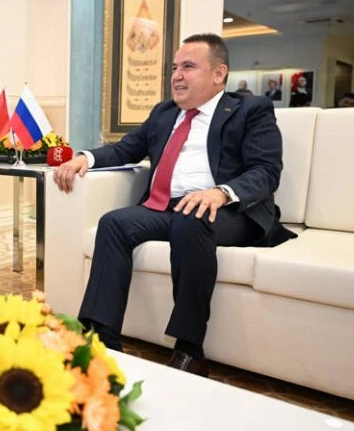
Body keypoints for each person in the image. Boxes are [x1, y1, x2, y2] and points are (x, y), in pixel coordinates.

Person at [53, 33, 295, 377]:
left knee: (192, 218)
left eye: (188, 67)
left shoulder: (250, 110)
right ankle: (102, 340)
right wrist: (85, 158)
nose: (177, 76)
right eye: (174, 68)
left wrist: (221, 192)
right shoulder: (165, 112)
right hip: (168, 207)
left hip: (228, 210)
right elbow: (126, 149)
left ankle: (189, 349)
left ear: (219, 73)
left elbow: (266, 171)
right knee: (114, 223)